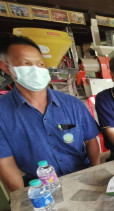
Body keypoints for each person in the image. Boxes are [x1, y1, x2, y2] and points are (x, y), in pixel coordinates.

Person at [0, 34, 100, 193]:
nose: (36, 69)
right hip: (39, 188)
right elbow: (6, 165)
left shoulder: (72, 104)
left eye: (40, 64)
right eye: (26, 63)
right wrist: (24, 201)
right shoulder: (3, 114)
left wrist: (95, 172)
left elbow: (91, 141)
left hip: (82, 177)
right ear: (6, 67)